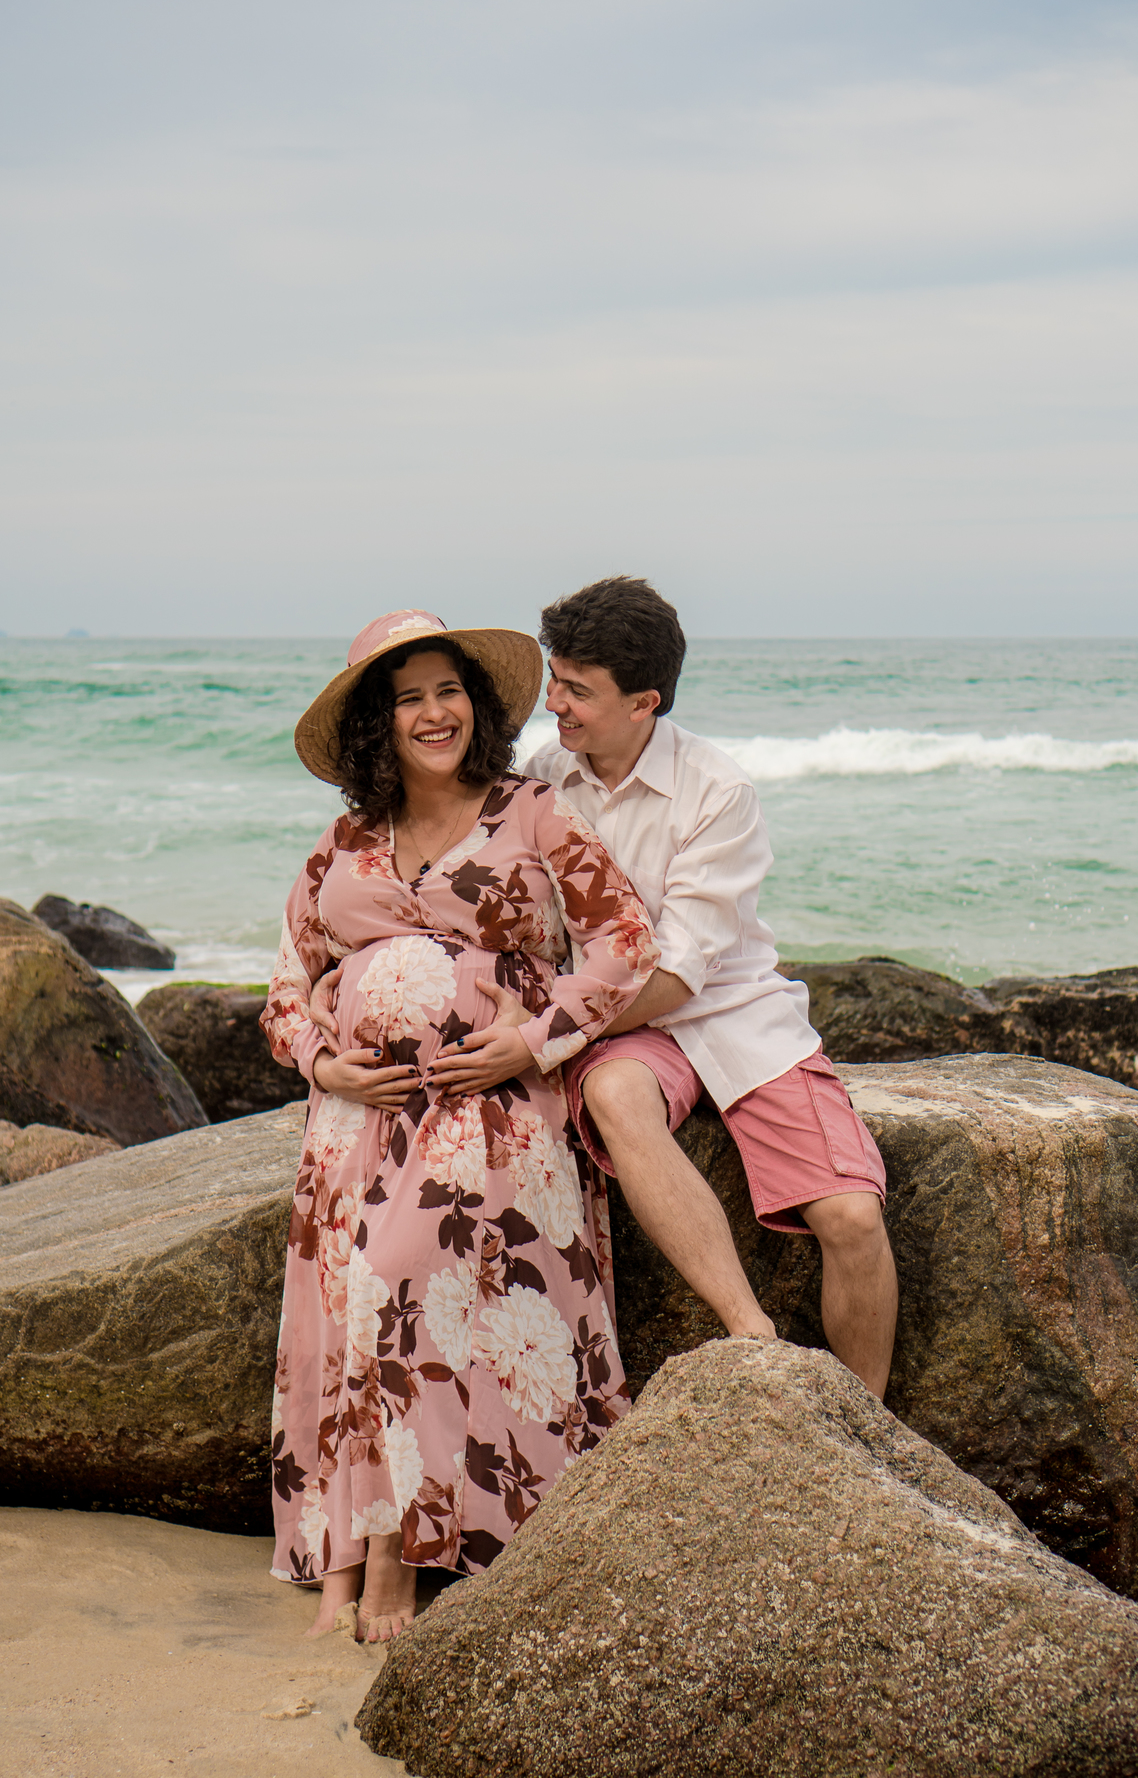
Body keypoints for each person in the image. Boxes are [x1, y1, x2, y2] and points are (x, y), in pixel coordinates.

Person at [261, 608, 659, 1643]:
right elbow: (285, 987)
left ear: (475, 706)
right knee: (346, 1304)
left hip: (490, 1111)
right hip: (356, 1124)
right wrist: (327, 1060)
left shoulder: (532, 813)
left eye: (448, 691)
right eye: (408, 698)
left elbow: (624, 940)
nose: (433, 712)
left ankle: (398, 1550)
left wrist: (539, 1041)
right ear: (376, 726)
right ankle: (344, 1550)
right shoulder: (344, 842)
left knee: (395, 1276)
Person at [519, 577, 898, 1399]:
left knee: (854, 1218)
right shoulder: (541, 778)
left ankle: (869, 1433)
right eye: (557, 679)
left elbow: (682, 971)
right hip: (623, 1031)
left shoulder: (717, 790)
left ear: (644, 702)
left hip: (729, 1011)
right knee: (618, 1096)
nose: (555, 702)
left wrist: (552, 1031)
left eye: (578, 690)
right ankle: (748, 1330)